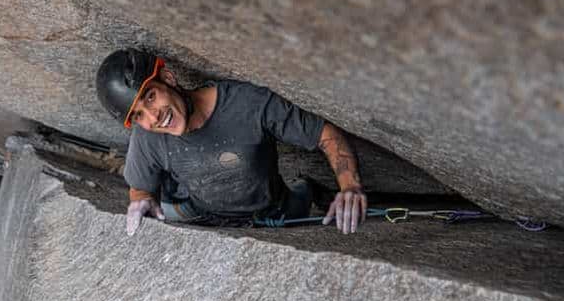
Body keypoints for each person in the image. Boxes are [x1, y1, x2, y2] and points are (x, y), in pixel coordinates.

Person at [96, 48, 367, 236]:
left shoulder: (248, 104)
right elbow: (140, 187)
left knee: (301, 200)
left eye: (151, 96)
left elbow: (325, 134)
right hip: (201, 211)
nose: (154, 116)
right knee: (153, 216)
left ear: (167, 78)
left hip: (271, 210)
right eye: (138, 115)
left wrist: (350, 187)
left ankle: (307, 188)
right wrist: (141, 200)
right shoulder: (147, 135)